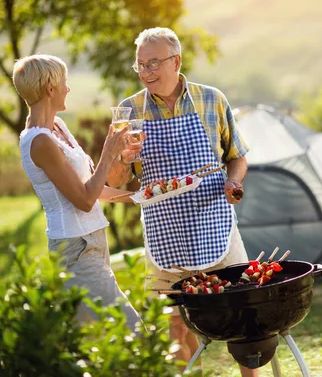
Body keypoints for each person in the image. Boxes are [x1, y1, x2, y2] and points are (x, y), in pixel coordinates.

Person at [106, 27, 257, 375]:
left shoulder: (212, 99)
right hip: (164, 234)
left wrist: (233, 182)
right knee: (175, 325)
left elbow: (237, 156)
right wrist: (124, 159)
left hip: (215, 224)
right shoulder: (128, 111)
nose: (146, 72)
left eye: (154, 63)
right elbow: (115, 182)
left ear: (176, 61)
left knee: (245, 317)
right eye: (140, 65)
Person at [14, 54, 142, 332]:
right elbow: (84, 201)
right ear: (50, 89)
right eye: (64, 82)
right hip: (75, 248)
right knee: (133, 331)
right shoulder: (39, 142)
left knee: (89, 340)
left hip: (94, 238)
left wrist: (142, 197)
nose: (68, 88)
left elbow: (90, 188)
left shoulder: (57, 127)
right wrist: (109, 153)